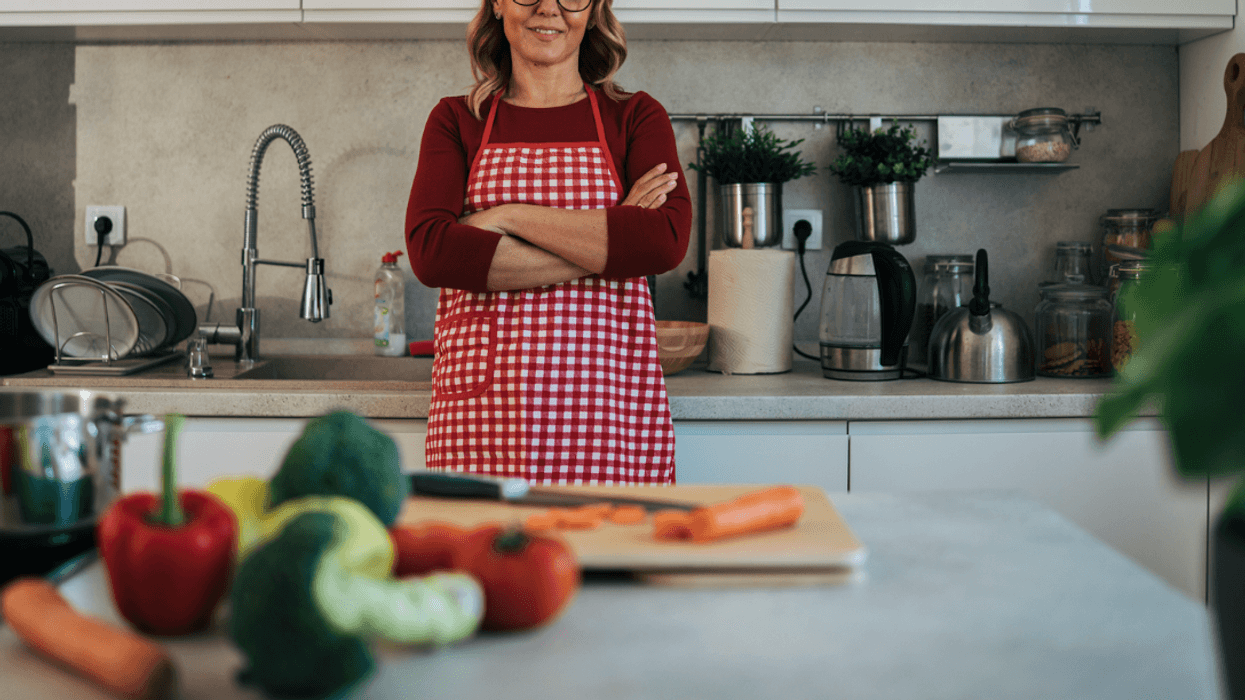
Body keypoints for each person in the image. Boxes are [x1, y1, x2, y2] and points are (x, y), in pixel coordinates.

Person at [404, 0, 692, 485]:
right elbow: (433, 252)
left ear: (595, 8)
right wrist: (613, 241)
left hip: (606, 415)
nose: (549, 8)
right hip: (485, 419)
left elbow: (663, 242)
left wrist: (507, 217)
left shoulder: (636, 116)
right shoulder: (456, 120)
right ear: (497, 4)